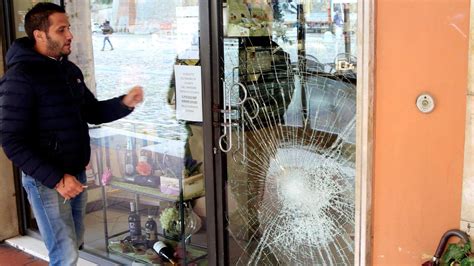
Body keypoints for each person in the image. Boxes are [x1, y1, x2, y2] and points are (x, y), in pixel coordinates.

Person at [0, 3, 143, 265]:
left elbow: (92, 111)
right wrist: (57, 179)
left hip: (74, 175)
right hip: (47, 182)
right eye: (61, 29)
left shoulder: (68, 70)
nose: (70, 35)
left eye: (69, 28)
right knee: (64, 254)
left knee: (74, 244)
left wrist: (125, 103)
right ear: (39, 35)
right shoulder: (20, 77)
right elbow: (11, 141)